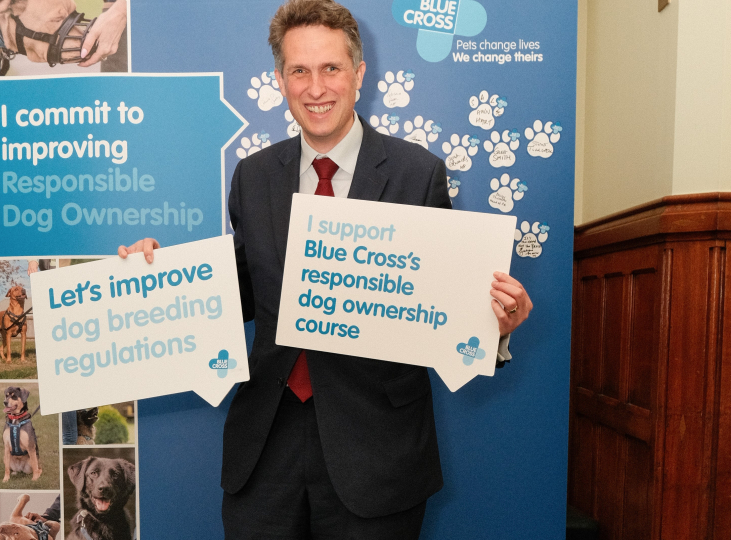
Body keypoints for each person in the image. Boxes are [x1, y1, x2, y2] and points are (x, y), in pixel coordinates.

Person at [119, 1, 532, 537]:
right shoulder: (253, 176)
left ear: (359, 74)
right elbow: (244, 292)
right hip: (264, 448)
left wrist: (493, 324)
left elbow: (447, 307)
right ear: (280, 80)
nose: (316, 88)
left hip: (376, 451)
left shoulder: (417, 174)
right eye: (299, 71)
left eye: (331, 69)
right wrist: (154, 280)